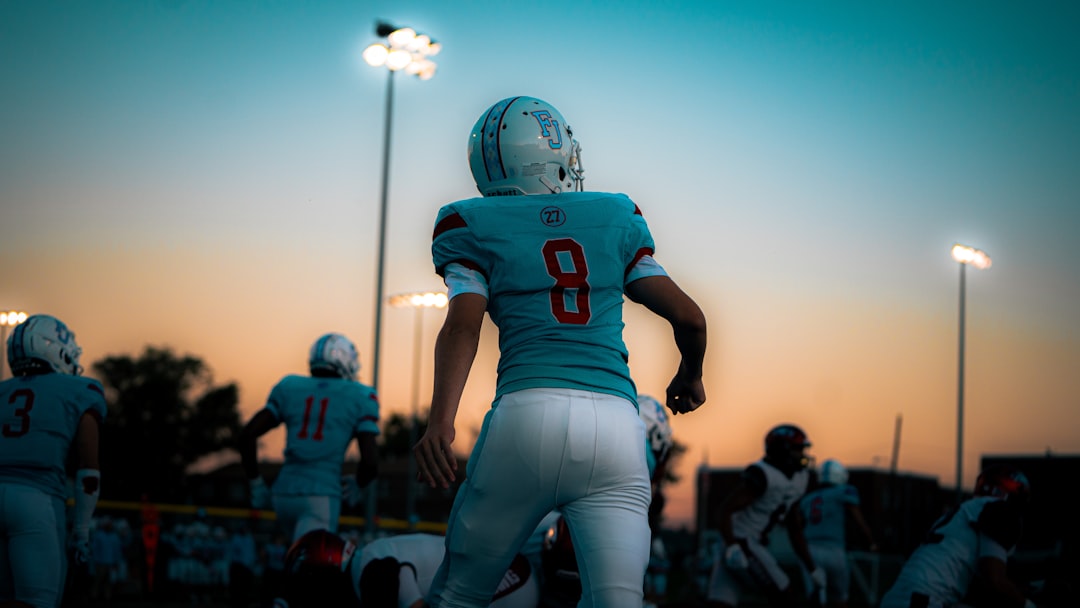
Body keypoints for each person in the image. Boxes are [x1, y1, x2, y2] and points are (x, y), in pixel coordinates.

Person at [413, 95, 708, 608]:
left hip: (526, 418)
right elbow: (690, 317)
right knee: (617, 601)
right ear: (550, 157)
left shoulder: (470, 223)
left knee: (458, 596)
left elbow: (463, 326)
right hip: (617, 430)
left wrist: (441, 421)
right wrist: (691, 374)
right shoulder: (614, 214)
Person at [0, 314, 106, 608]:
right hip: (37, 499)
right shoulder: (79, 390)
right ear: (54, 349)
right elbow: (88, 468)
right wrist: (81, 533)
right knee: (38, 601)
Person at [238, 332, 380, 543]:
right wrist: (358, 484)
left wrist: (255, 482)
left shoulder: (289, 386)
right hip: (321, 495)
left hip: (282, 493)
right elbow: (370, 462)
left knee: (289, 560)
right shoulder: (360, 395)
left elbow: (248, 434)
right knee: (312, 570)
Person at [879, 464, 1037, 608]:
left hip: (900, 598)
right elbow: (994, 581)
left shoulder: (963, 512)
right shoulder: (999, 510)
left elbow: (984, 584)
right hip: (924, 599)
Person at [705, 423, 823, 608]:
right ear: (782, 450)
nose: (802, 454)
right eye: (797, 449)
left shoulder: (800, 478)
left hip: (742, 542)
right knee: (784, 595)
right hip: (741, 540)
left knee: (720, 604)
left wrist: (811, 566)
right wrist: (733, 546)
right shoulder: (762, 474)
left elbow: (794, 527)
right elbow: (725, 511)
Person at [278, 528, 539, 608]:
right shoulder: (371, 556)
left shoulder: (372, 570)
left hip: (512, 581)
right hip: (512, 571)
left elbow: (415, 606)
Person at [790, 459, 876, 608]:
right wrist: (870, 541)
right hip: (835, 549)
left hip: (810, 550)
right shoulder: (844, 491)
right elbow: (858, 519)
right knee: (840, 599)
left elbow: (798, 526)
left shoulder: (808, 499)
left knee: (816, 599)